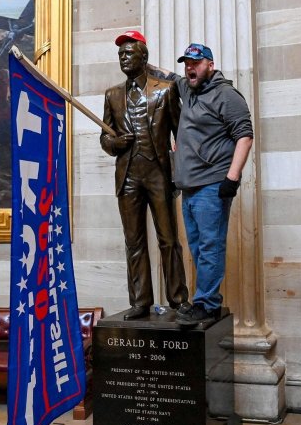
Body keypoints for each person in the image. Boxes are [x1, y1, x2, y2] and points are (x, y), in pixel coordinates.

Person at [99, 30, 190, 320]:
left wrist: (181, 175)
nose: (123, 58)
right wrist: (115, 143)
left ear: (144, 56)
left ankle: (178, 299)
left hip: (158, 174)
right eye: (120, 55)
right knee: (134, 242)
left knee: (168, 239)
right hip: (128, 177)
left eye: (129, 53)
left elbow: (181, 136)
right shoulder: (112, 95)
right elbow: (104, 138)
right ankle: (140, 301)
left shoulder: (166, 90)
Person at [171, 43, 253, 325]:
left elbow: (245, 136)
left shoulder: (226, 95)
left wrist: (232, 178)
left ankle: (205, 304)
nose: (190, 68)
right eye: (187, 64)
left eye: (196, 63)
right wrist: (140, 56)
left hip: (212, 184)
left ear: (210, 65)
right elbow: (167, 76)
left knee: (210, 246)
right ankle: (210, 301)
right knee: (197, 247)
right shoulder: (188, 89)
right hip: (189, 187)